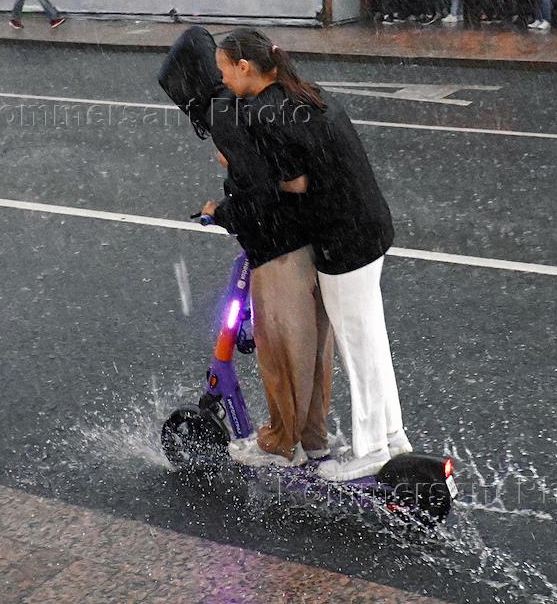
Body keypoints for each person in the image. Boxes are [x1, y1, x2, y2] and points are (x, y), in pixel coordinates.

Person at [215, 28, 410, 482]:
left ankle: (373, 450)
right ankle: (393, 435)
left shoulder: (266, 112)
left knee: (358, 346)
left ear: (245, 67)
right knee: (372, 341)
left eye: (225, 70)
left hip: (342, 236)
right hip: (369, 223)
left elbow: (297, 182)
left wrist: (243, 168)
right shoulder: (301, 91)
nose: (222, 80)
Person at [158, 27, 333, 468]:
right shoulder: (241, 101)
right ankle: (312, 439)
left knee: (280, 353)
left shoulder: (221, 112)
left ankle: (278, 444)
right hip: (307, 238)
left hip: (276, 248)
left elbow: (257, 189)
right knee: (310, 354)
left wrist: (223, 213)